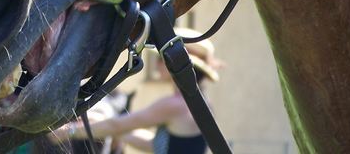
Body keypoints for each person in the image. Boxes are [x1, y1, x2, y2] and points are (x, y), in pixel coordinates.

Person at [50, 28, 222, 153]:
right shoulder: (195, 101)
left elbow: (116, 124)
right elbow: (156, 145)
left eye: (162, 59)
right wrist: (106, 123)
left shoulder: (176, 104)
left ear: (176, 65)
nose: (157, 63)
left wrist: (66, 132)